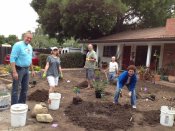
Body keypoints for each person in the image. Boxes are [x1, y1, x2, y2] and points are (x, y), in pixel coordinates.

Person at [10, 31, 35, 105]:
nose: (29, 39)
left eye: (30, 38)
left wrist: (32, 70)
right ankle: (14, 106)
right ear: (24, 37)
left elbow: (29, 59)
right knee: (16, 89)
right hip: (18, 70)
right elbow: (12, 58)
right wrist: (14, 72)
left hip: (26, 70)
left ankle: (21, 105)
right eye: (28, 37)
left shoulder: (30, 47)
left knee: (25, 89)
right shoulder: (18, 45)